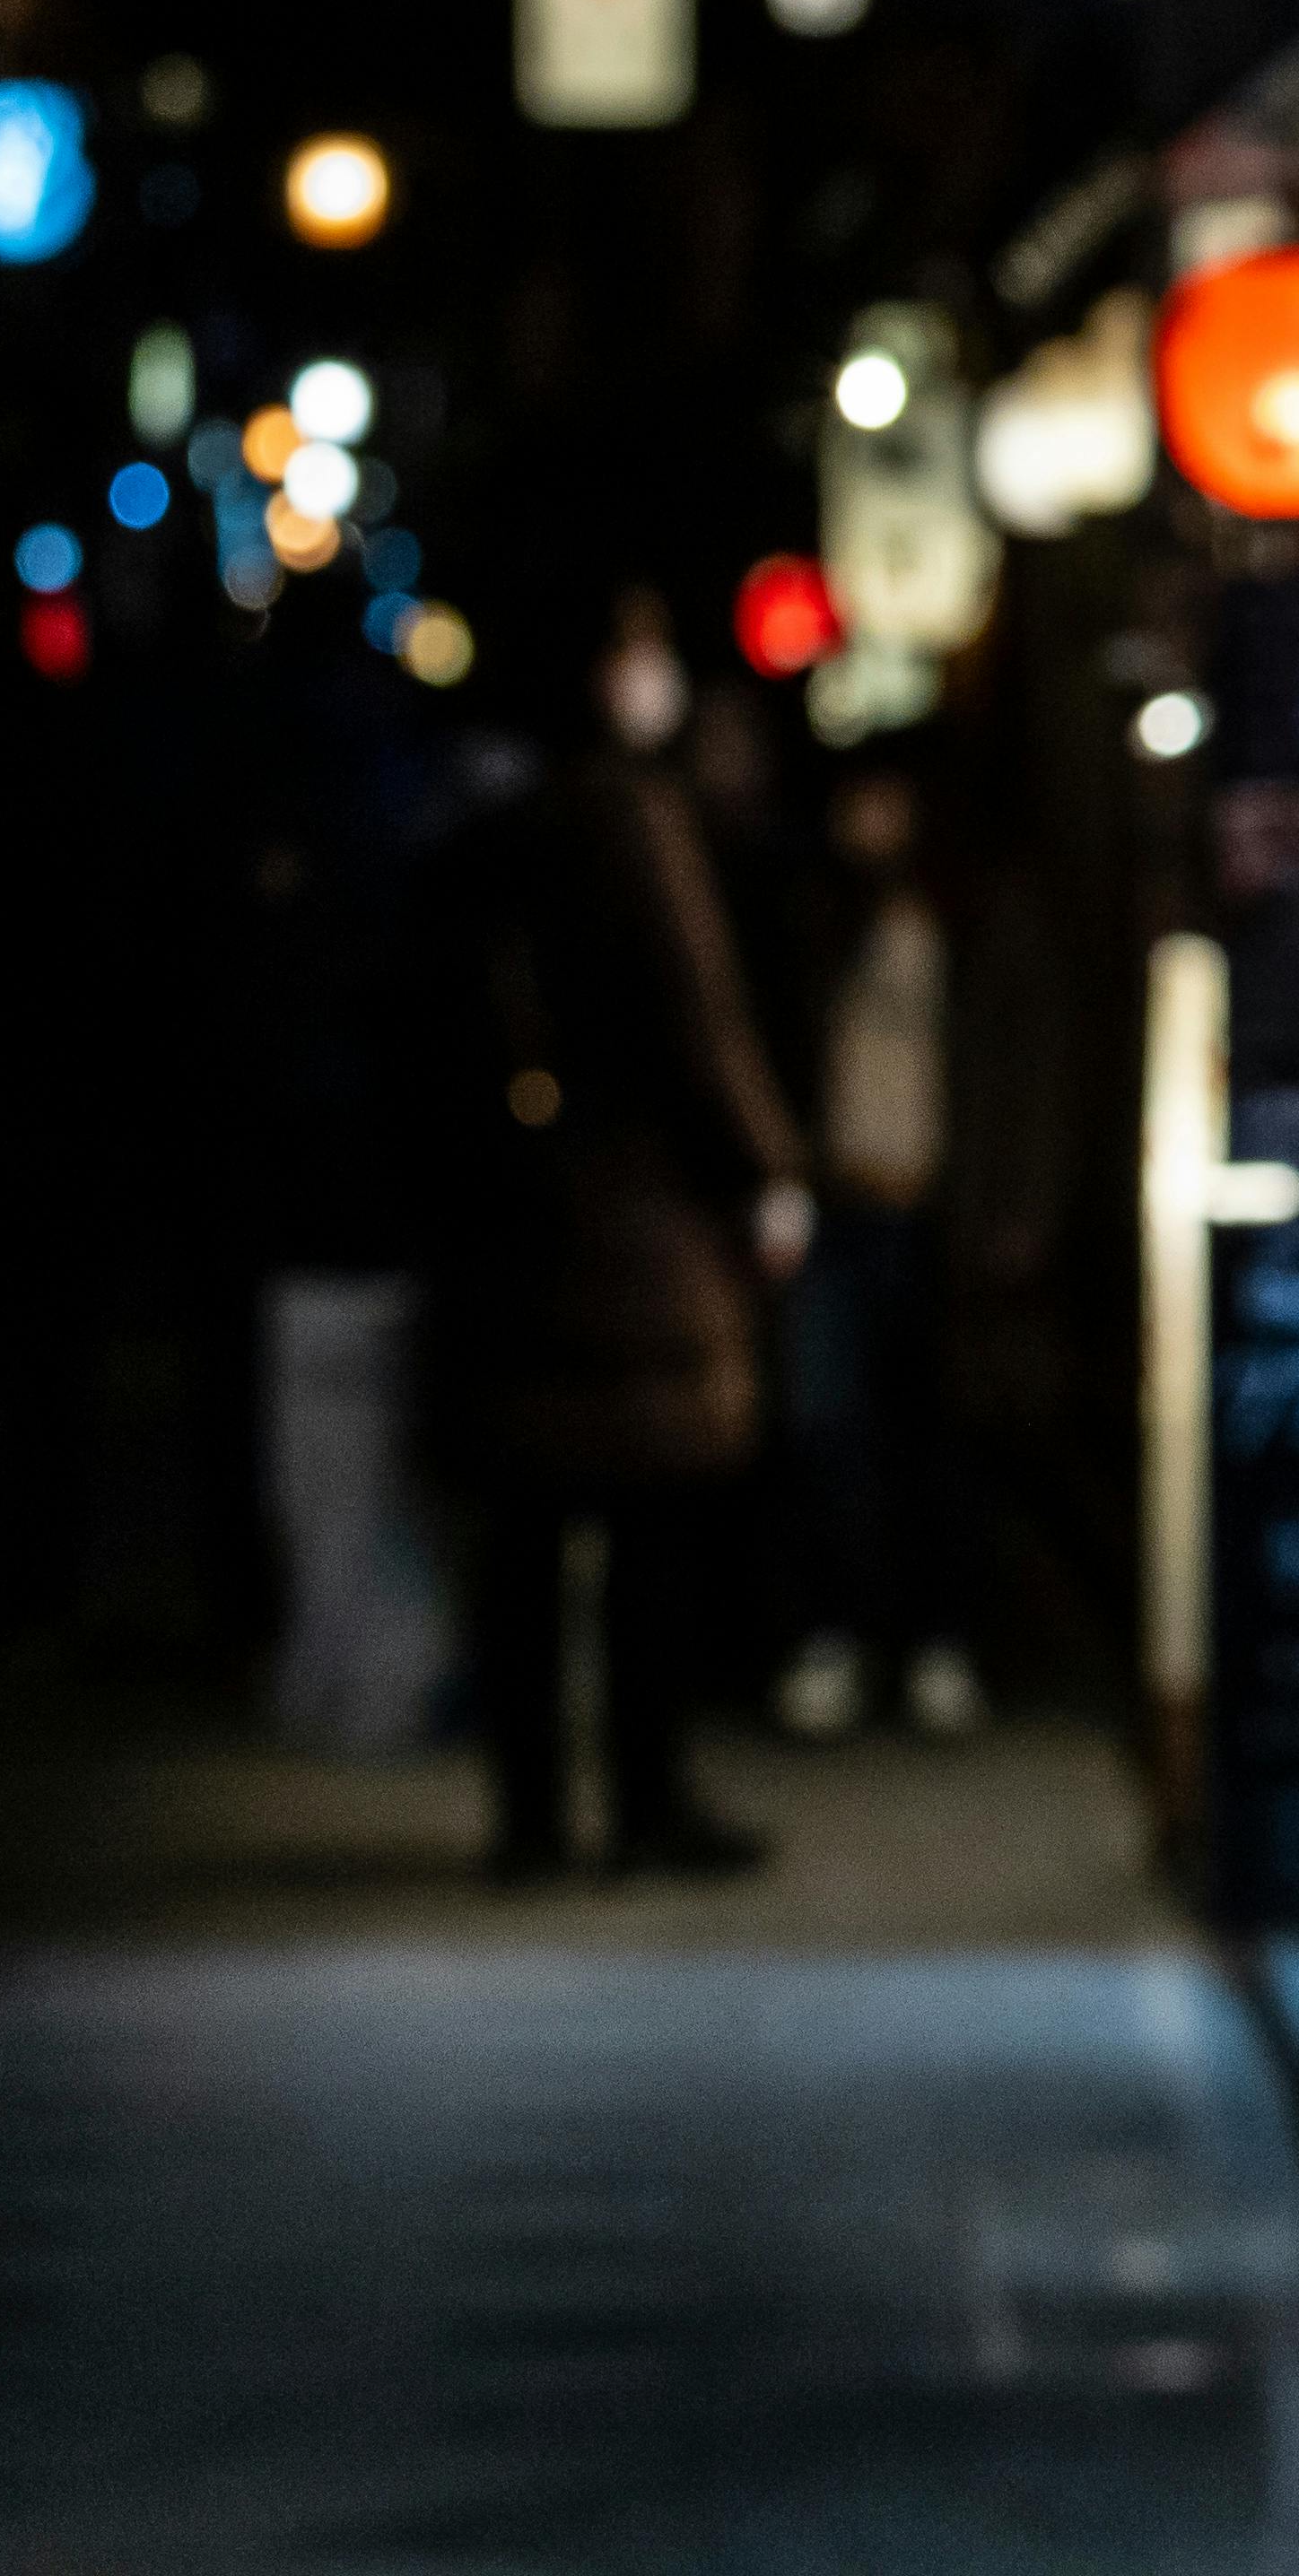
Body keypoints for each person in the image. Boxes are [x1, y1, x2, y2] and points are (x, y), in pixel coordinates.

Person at [450, 585, 814, 1877]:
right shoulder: (632, 819)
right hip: (638, 1223)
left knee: (531, 1531)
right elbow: (697, 1013)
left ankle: (534, 1814)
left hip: (513, 1215)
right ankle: (649, 1796)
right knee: (654, 1515)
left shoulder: (499, 817)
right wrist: (768, 1171)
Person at [768, 763, 983, 1742]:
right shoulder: (812, 913)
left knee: (929, 1435)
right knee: (829, 1430)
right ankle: (835, 1636)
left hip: (931, 1209)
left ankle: (937, 1638)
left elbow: (1006, 1060)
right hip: (837, 1202)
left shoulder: (962, 910)